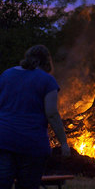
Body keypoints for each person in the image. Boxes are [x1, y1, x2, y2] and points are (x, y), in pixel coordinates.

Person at [0, 45, 70, 189]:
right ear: (45, 62)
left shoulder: (6, 75)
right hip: (32, 144)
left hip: (4, 141)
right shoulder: (47, 80)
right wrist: (63, 143)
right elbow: (51, 113)